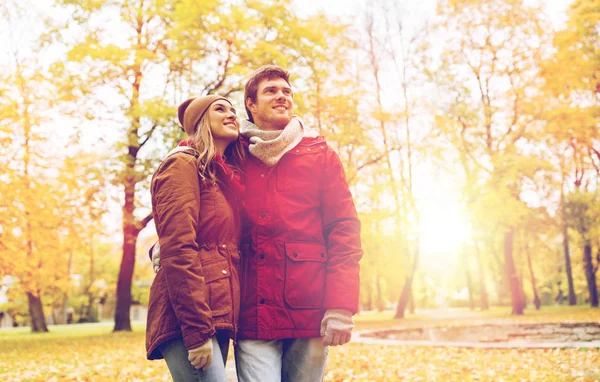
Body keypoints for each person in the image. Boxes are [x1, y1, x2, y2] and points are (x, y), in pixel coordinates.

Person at [235, 65, 363, 382]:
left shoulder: (319, 153)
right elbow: (203, 204)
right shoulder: (233, 152)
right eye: (271, 91)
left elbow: (344, 229)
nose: (282, 96)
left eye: (286, 91)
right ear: (250, 104)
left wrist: (340, 307)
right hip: (253, 312)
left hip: (311, 310)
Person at [145, 95, 245, 382]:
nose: (231, 115)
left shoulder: (219, 175)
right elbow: (178, 248)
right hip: (188, 317)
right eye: (220, 109)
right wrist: (197, 331)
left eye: (233, 110)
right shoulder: (181, 166)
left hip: (217, 311)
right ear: (201, 122)